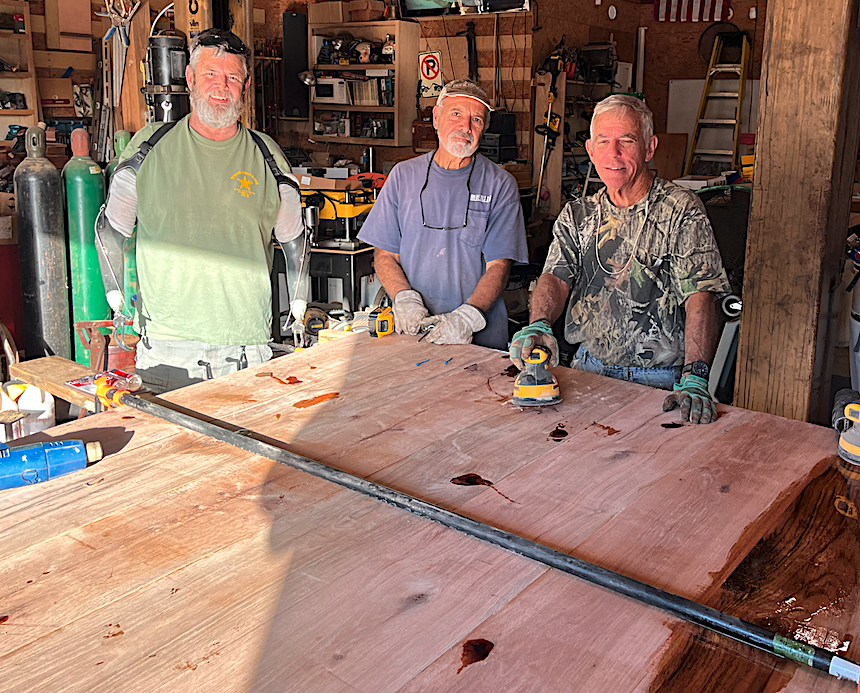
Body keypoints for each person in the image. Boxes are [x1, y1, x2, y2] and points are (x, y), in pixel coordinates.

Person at [95, 28, 304, 394]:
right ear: (190, 78)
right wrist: (115, 298)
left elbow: (294, 239)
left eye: (232, 77)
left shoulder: (267, 156)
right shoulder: (148, 148)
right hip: (166, 351)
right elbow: (110, 229)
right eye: (210, 74)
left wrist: (299, 305)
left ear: (245, 85)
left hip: (246, 349)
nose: (221, 87)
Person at [510, 95, 730, 424]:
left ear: (649, 147)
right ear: (590, 149)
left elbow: (699, 296)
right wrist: (539, 323)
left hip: (662, 380)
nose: (613, 154)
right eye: (603, 141)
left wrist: (696, 375)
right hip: (588, 369)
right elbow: (555, 277)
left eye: (626, 141)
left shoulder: (680, 210)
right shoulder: (578, 214)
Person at [357, 79, 528, 350]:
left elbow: (499, 266)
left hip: (479, 343)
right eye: (456, 114)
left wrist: (468, 318)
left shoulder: (500, 184)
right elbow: (385, 255)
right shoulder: (403, 176)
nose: (466, 127)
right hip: (414, 337)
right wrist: (404, 299)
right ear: (436, 117)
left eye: (477, 120)